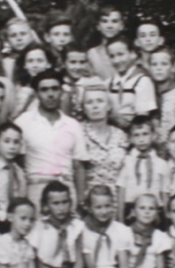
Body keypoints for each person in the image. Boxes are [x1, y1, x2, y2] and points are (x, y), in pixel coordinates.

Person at [15, 70, 89, 213]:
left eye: (55, 89)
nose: (50, 94)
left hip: (66, 188)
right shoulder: (23, 122)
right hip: (36, 188)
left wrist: (80, 202)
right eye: (44, 90)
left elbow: (79, 167)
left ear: (61, 92)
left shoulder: (72, 124)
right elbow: (18, 162)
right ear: (36, 94)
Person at [116, 115, 168, 224]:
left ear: (153, 135)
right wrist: (120, 220)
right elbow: (121, 192)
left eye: (145, 134)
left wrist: (167, 219)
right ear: (130, 138)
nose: (141, 139)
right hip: (131, 211)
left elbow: (165, 193)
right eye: (136, 135)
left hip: (155, 211)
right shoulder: (126, 162)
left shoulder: (162, 164)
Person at [81, 84, 129, 190]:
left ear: (109, 106)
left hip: (118, 197)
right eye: (89, 102)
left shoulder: (121, 135)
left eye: (100, 101)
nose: (95, 106)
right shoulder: (78, 133)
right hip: (90, 197)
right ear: (83, 108)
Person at [105, 36, 157, 129]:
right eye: (112, 56)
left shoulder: (142, 81)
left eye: (120, 54)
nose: (116, 60)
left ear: (132, 54)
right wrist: (112, 117)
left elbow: (142, 119)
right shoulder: (108, 84)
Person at [12, 45, 58, 117]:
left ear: (49, 64)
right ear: (25, 65)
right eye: (30, 61)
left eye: (40, 61)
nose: (35, 65)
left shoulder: (57, 87)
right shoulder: (19, 90)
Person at [60, 46, 99, 120]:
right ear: (63, 63)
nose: (78, 67)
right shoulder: (58, 84)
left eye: (82, 62)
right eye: (73, 62)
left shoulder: (93, 83)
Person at [86, 6, 124, 80]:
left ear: (121, 26)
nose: (109, 26)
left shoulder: (131, 54)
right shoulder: (92, 54)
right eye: (105, 21)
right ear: (98, 26)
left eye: (114, 21)